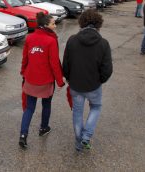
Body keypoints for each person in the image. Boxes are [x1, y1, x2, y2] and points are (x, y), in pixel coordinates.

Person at [63, 9, 113, 151]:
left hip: (76, 85)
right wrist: (99, 81)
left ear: (81, 22)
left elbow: (65, 64)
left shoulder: (72, 40)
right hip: (93, 86)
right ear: (99, 24)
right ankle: (86, 137)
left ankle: (80, 141)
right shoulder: (103, 43)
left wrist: (69, 78)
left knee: (77, 113)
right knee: (96, 108)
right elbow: (107, 69)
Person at [19, 13, 65, 149]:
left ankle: (23, 135)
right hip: (46, 80)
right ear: (45, 25)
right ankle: (43, 128)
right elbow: (54, 63)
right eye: (53, 24)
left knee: (29, 108)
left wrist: (23, 72)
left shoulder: (30, 37)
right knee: (46, 105)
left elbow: (25, 59)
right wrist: (59, 81)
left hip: (31, 78)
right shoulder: (51, 41)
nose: (55, 26)